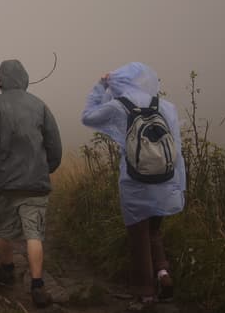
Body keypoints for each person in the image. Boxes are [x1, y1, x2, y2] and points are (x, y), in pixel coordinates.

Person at [81, 62, 185, 311]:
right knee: (154, 231)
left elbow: (88, 116)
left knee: (138, 237)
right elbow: (177, 151)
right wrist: (179, 185)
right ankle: (163, 274)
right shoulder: (167, 107)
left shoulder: (119, 107)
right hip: (164, 181)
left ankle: (145, 295)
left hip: (135, 183)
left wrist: (101, 85)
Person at [0, 59, 62, 308]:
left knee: (4, 230)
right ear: (25, 78)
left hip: (3, 183)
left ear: (2, 80)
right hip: (35, 183)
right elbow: (54, 144)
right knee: (34, 234)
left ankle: (6, 272)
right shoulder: (40, 105)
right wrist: (46, 168)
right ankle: (38, 285)